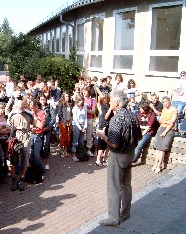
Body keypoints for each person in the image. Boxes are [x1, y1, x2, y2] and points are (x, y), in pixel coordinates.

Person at [96, 90, 141, 227]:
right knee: (126, 185)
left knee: (114, 186)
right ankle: (125, 213)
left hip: (118, 155)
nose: (109, 103)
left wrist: (102, 136)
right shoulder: (133, 116)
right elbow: (138, 137)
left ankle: (113, 218)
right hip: (130, 153)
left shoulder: (116, 119)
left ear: (116, 102)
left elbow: (114, 143)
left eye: (111, 101)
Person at [7, 100, 34, 191]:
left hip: (26, 137)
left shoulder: (29, 114)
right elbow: (8, 126)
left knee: (25, 158)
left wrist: (32, 129)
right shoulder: (12, 114)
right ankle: (14, 179)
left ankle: (22, 178)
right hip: (15, 137)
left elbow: (33, 125)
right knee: (12, 159)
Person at [152, 96, 177, 173]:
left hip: (168, 130)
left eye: (166, 101)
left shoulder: (174, 110)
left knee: (162, 148)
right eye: (163, 102)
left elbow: (172, 123)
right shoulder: (163, 110)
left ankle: (159, 165)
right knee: (157, 147)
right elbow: (160, 120)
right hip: (161, 128)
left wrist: (165, 132)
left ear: (169, 101)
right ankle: (155, 164)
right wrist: (167, 121)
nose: (165, 103)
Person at [71, 97, 87, 162]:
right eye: (80, 100)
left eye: (82, 100)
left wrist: (84, 127)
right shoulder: (75, 108)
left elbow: (85, 117)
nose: (81, 101)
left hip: (83, 125)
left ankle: (80, 153)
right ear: (77, 101)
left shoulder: (84, 107)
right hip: (76, 125)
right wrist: (80, 128)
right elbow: (75, 119)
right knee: (75, 140)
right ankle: (73, 155)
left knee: (81, 140)